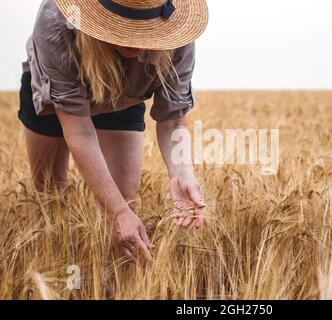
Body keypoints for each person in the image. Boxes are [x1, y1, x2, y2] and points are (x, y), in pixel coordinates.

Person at [18, 0, 209, 260]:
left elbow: (173, 120)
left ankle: (114, 286)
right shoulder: (57, 20)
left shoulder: (178, 30)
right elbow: (79, 129)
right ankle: (62, 275)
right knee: (50, 203)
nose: (133, 41)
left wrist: (183, 172)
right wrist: (117, 213)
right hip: (57, 97)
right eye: (124, 28)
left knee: (125, 201)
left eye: (143, 28)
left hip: (125, 97)